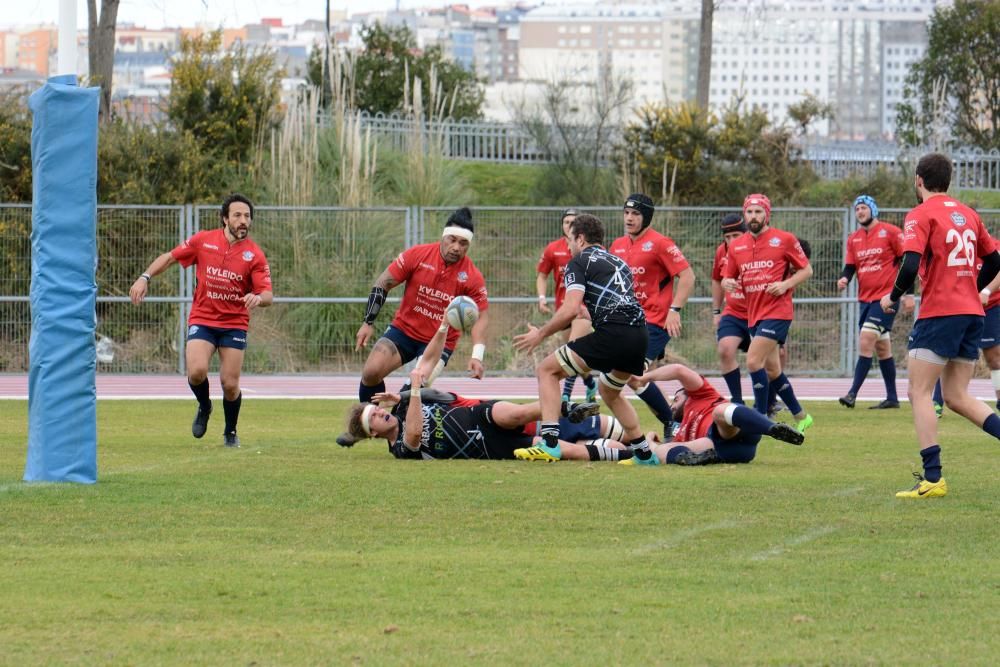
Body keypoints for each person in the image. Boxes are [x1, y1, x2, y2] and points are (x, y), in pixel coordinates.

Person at [879, 152, 1000, 499]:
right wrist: (975, 290)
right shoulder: (968, 215)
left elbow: (910, 261)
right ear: (948, 181)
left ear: (918, 180)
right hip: (971, 313)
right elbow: (994, 261)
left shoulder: (920, 214)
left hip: (940, 313)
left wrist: (893, 295)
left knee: (917, 391)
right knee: (956, 396)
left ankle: (933, 478)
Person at [342, 324, 627, 462]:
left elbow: (426, 363)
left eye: (375, 409)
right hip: (486, 446)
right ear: (375, 434)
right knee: (557, 449)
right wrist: (413, 392)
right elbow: (414, 433)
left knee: (515, 413)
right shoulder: (401, 451)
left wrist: (443, 327)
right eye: (375, 418)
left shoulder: (401, 404)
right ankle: (612, 454)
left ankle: (563, 408)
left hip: (479, 415)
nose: (380, 411)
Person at [512, 213, 659, 464]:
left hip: (614, 333)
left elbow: (569, 309)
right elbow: (618, 302)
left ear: (580, 238)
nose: (568, 246)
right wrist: (588, 311)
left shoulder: (579, 261)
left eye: (570, 239)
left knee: (547, 370)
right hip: (639, 335)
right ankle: (644, 454)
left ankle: (549, 444)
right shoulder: (618, 262)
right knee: (609, 391)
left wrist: (541, 333)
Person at [336, 207, 489, 447]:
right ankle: (362, 426)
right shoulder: (417, 255)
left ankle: (396, 437)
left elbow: (481, 317)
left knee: (411, 391)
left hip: (439, 343)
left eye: (463, 243)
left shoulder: (472, 276)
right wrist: (368, 322)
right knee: (371, 372)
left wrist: (477, 355)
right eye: (452, 240)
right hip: (404, 331)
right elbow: (383, 283)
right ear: (443, 236)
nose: (456, 247)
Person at [129, 193, 273, 448]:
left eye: (247, 217)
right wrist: (145, 277)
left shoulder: (255, 255)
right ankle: (205, 406)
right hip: (203, 319)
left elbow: (268, 295)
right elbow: (171, 257)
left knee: (230, 385)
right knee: (196, 372)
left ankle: (230, 432)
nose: (243, 221)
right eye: (237, 215)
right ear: (224, 218)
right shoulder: (204, 241)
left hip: (234, 323)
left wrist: (256, 298)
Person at [721, 194, 813, 431]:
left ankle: (759, 418)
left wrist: (784, 285)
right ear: (745, 215)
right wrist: (727, 284)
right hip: (754, 314)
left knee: (753, 361)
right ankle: (802, 417)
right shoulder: (737, 246)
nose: (753, 216)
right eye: (749, 212)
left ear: (767, 214)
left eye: (758, 212)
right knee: (772, 370)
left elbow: (806, 270)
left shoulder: (784, 239)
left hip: (778, 311)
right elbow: (727, 277)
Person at [609, 194, 695, 435]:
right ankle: (676, 414)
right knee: (630, 377)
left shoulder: (661, 243)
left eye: (635, 214)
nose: (629, 218)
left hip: (655, 322)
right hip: (627, 323)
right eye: (626, 213)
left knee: (633, 374)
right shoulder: (617, 245)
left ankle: (673, 421)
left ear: (646, 217)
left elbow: (688, 277)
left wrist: (674, 310)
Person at [620, 363, 804, 466]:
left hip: (740, 427)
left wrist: (644, 377)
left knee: (719, 412)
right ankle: (692, 460)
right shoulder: (679, 431)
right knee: (663, 451)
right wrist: (650, 441)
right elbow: (651, 453)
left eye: (676, 399)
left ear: (687, 393)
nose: (672, 406)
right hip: (723, 450)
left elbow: (678, 370)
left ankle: (772, 428)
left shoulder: (701, 395)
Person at [836, 195, 914, 409]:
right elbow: (850, 266)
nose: (860, 212)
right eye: (857, 209)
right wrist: (844, 278)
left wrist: (908, 294)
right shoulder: (854, 238)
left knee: (866, 339)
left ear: (873, 210)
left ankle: (852, 394)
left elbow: (907, 263)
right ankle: (892, 399)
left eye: (863, 208)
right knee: (882, 349)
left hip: (887, 299)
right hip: (866, 300)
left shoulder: (891, 232)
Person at [536, 208, 597, 403]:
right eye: (566, 221)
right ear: (562, 225)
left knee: (572, 348)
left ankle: (565, 397)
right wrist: (542, 298)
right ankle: (590, 382)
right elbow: (542, 275)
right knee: (574, 356)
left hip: (581, 310)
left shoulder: (587, 249)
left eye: (573, 221)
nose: (569, 224)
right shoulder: (553, 248)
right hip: (563, 310)